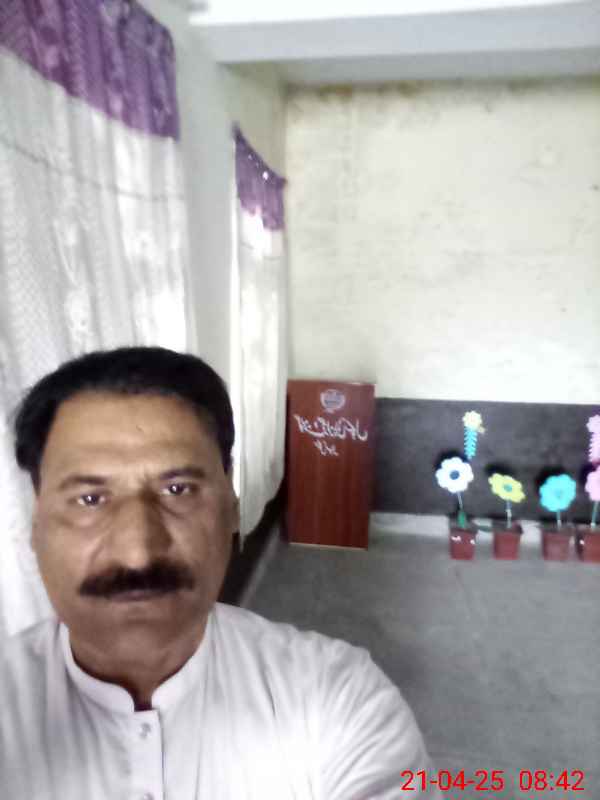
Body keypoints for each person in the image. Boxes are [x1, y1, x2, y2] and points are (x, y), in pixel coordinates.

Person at [1, 346, 441, 800]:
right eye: (90, 499)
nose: (138, 552)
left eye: (178, 490)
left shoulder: (337, 694)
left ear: (231, 506)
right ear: (35, 525)